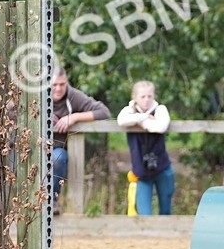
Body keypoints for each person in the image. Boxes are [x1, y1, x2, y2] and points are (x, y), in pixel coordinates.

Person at [51, 68, 110, 209]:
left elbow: (104, 112)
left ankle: (52, 202)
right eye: (54, 85)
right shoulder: (36, 95)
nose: (58, 89)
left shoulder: (73, 96)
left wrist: (74, 117)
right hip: (35, 148)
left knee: (57, 158)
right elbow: (10, 108)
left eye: (62, 84)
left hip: (57, 149)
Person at [116, 80, 175, 215]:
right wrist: (143, 117)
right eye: (142, 96)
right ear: (135, 97)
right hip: (141, 171)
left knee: (166, 212)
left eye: (150, 96)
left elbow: (160, 127)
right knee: (144, 215)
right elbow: (121, 120)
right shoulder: (128, 111)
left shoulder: (160, 109)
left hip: (162, 168)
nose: (146, 100)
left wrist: (140, 123)